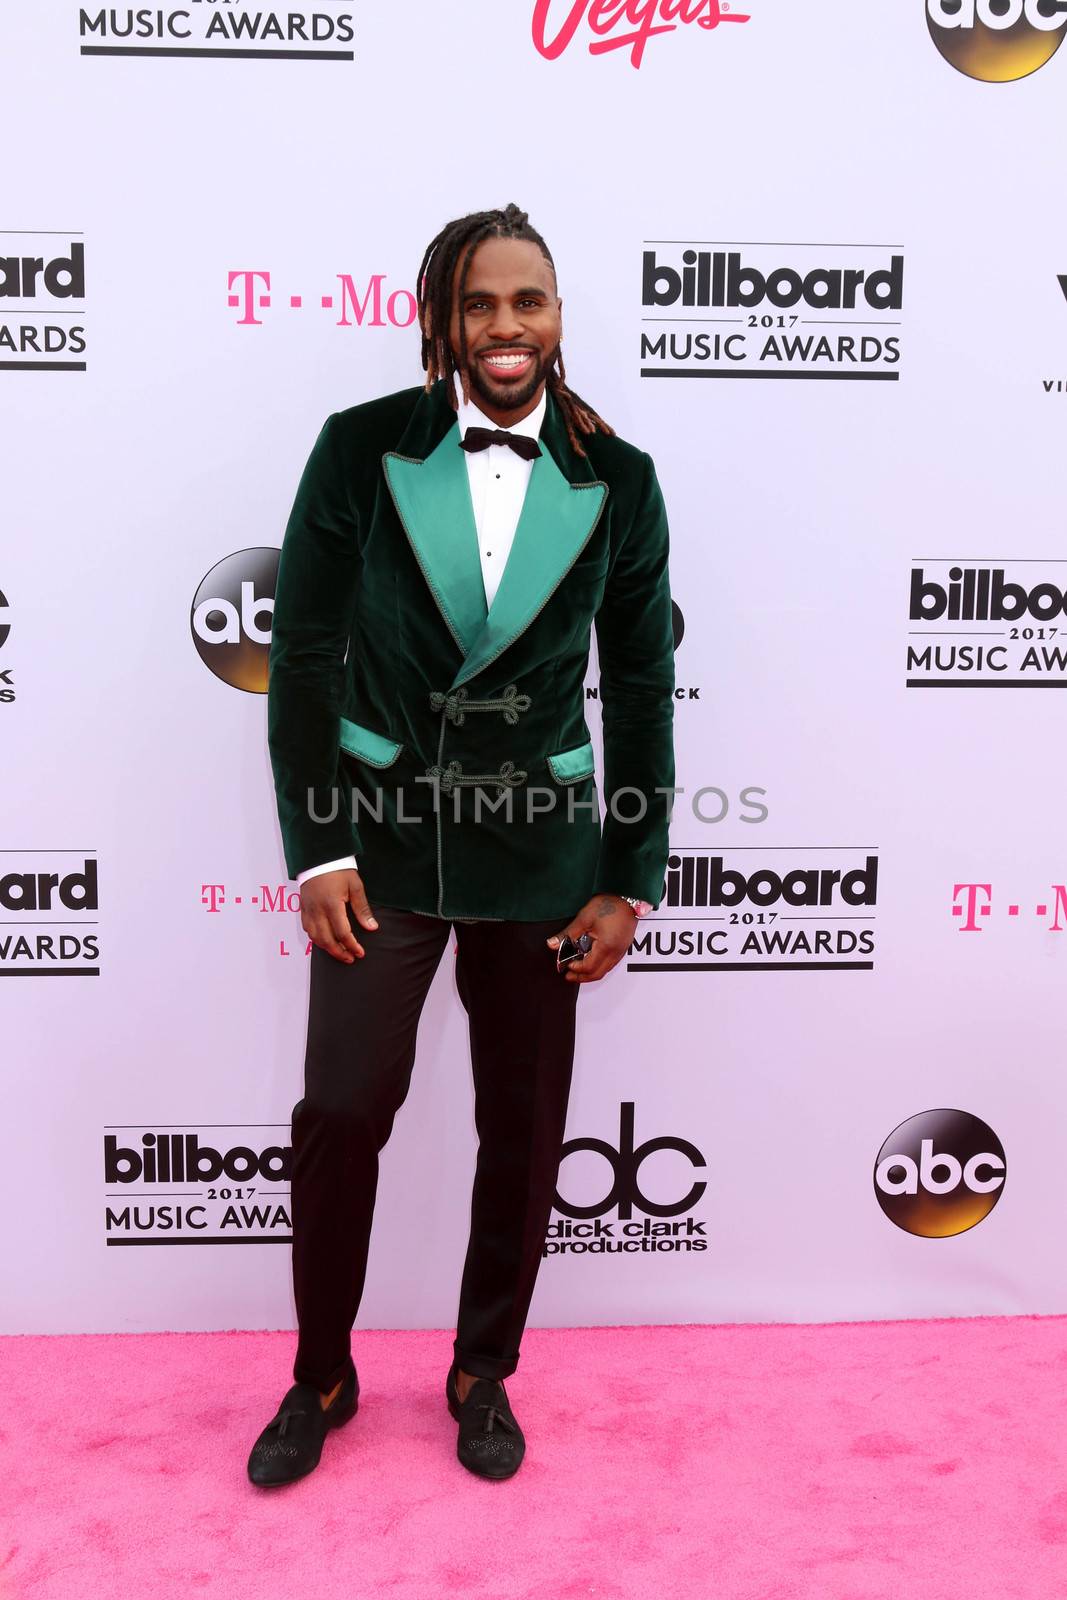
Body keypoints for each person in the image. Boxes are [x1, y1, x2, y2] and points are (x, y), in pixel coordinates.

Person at [247, 203, 675, 1486]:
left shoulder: (620, 479)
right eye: (480, 304)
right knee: (339, 1107)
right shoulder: (361, 447)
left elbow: (642, 690)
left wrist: (626, 876)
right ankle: (320, 1371)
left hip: (540, 857)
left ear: (557, 315)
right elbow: (305, 662)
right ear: (439, 318)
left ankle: (483, 1367)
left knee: (525, 1128)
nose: (505, 328)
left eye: (527, 301)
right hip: (378, 848)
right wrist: (317, 851)